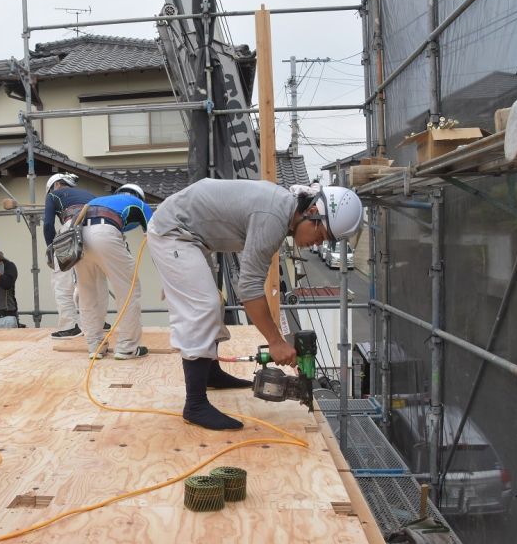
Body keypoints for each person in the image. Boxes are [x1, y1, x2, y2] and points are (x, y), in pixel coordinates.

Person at [147, 180, 363, 431]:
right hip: (173, 231)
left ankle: (211, 375)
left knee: (213, 302)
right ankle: (195, 405)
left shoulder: (281, 211)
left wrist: (276, 340)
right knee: (202, 307)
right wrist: (276, 342)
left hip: (190, 234)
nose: (316, 244)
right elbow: (248, 289)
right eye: (321, 236)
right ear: (312, 213)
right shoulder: (273, 218)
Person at [76, 183, 153, 360]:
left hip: (78, 237)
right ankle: (127, 347)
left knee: (88, 293)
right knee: (128, 290)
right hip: (104, 232)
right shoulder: (140, 204)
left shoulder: (100, 200)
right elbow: (156, 238)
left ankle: (95, 347)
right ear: (138, 196)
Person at [43, 173, 93, 338]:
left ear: (56, 185)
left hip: (72, 227)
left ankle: (70, 326)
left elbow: (48, 224)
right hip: (98, 229)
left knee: (62, 280)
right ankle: (97, 322)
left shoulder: (53, 195)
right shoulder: (90, 194)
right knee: (90, 278)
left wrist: (51, 247)